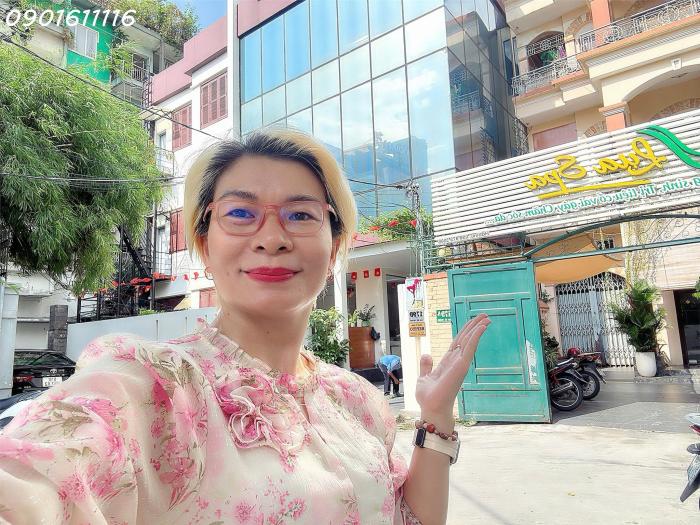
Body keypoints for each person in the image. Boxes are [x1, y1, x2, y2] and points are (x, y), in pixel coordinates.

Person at [0, 129, 491, 524]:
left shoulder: (358, 401)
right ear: (204, 244)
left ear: (335, 248)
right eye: (239, 213)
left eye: (301, 214)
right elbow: (36, 480)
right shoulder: (155, 386)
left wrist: (436, 416)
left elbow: (408, 517)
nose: (272, 238)